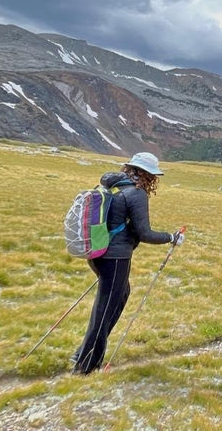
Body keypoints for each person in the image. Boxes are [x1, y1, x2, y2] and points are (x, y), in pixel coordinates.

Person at [72, 152, 183, 374]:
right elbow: (145, 233)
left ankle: (84, 352)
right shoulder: (137, 193)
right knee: (105, 309)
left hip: (98, 253)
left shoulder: (114, 186)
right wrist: (171, 237)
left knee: (120, 295)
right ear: (149, 175)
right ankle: (85, 366)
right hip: (116, 257)